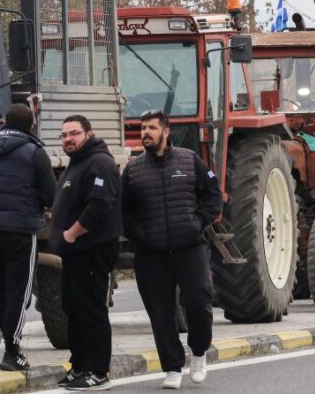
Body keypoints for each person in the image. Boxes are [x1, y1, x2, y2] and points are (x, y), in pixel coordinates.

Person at [121, 110, 222, 390]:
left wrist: (197, 223)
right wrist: (138, 234)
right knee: (160, 312)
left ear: (165, 131)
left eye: (151, 128)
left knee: (199, 301)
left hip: (189, 248)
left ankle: (199, 352)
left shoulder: (190, 160)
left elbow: (213, 195)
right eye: (143, 128)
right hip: (151, 254)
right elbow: (123, 210)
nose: (145, 133)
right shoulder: (132, 169)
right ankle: (172, 367)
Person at [0, 103, 56, 371]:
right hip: (20, 229)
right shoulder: (35, 152)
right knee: (18, 292)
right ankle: (13, 351)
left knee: (1, 288)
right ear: (31, 125)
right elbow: (50, 196)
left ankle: (11, 347)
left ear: (4, 122)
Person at [49, 115, 122, 391]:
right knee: (74, 308)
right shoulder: (77, 164)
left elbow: (99, 207)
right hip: (74, 253)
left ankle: (98, 372)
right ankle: (79, 366)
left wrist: (71, 233)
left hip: (92, 250)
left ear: (88, 134)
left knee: (91, 310)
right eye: (64, 134)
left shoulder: (100, 163)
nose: (68, 138)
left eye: (74, 133)